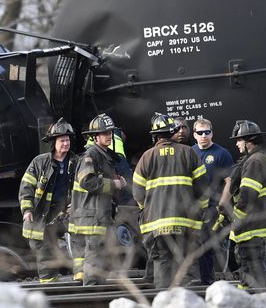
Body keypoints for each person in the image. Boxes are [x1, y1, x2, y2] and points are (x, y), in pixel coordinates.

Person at [133, 113, 208, 288]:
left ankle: (164, 304)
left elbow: (137, 193)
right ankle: (190, 303)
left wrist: (149, 208)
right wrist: (201, 211)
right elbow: (203, 189)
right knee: (187, 263)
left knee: (163, 263)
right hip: (186, 223)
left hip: (157, 224)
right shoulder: (189, 153)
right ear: (173, 132)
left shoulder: (147, 157)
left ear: (155, 136)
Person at [19, 118, 79, 283]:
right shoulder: (40, 162)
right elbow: (26, 187)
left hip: (65, 214)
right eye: (62, 140)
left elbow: (83, 187)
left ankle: (83, 278)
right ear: (54, 142)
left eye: (67, 140)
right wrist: (28, 210)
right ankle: (49, 286)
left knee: (81, 239)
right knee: (45, 252)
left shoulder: (76, 162)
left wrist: (75, 204)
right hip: (42, 217)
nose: (66, 144)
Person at [216, 120, 266, 289]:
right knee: (249, 270)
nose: (236, 144)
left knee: (251, 270)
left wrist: (235, 219)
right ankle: (249, 299)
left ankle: (254, 302)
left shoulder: (255, 162)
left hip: (250, 226)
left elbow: (247, 196)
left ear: (249, 142)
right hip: (254, 225)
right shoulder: (259, 158)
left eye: (239, 140)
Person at [71, 113, 127, 286]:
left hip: (101, 215)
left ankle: (98, 293)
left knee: (102, 256)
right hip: (92, 215)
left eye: (110, 132)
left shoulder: (105, 156)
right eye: (104, 133)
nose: (109, 136)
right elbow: (86, 181)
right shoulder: (91, 155)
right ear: (95, 136)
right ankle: (91, 293)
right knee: (94, 255)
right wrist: (114, 184)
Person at [192, 118, 235, 284]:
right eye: (200, 133)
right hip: (192, 207)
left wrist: (222, 204)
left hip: (211, 208)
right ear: (194, 135)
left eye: (207, 132)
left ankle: (206, 280)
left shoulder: (221, 153)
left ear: (212, 133)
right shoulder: (190, 152)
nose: (204, 136)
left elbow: (229, 181)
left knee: (205, 245)